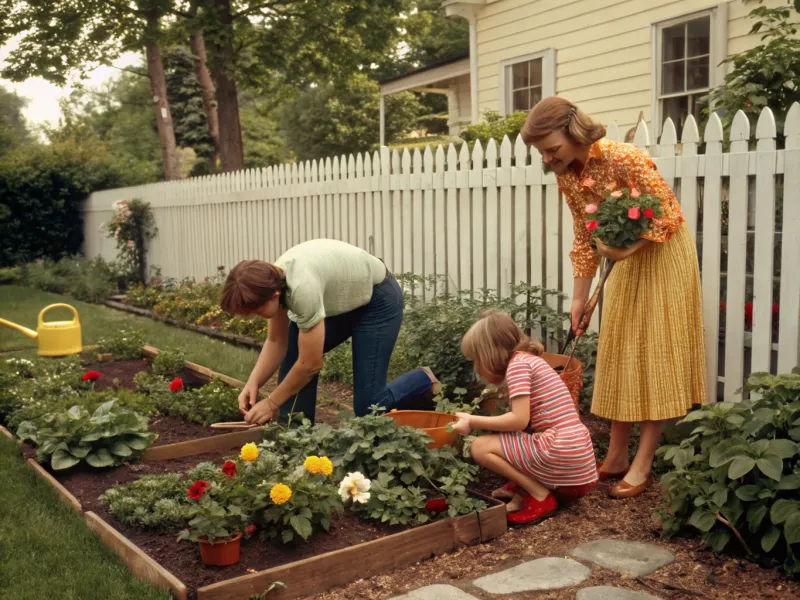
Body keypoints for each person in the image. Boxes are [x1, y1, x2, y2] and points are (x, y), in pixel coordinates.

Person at [520, 96, 706, 498]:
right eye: (542, 152)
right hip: (620, 259)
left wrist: (626, 251)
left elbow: (669, 214)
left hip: (662, 254)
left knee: (654, 350)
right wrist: (578, 300)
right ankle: (618, 455)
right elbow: (585, 236)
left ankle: (643, 462)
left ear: (572, 130)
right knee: (621, 346)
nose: (549, 159)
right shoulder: (567, 173)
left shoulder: (626, 158)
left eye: (552, 148)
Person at [219, 239, 439, 425]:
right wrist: (253, 382)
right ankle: (295, 436)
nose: (254, 316)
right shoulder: (271, 280)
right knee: (294, 353)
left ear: (274, 295)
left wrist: (271, 403)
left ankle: (421, 379)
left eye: (256, 311)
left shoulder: (301, 289)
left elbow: (310, 364)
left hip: (377, 300)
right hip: (344, 300)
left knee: (368, 408)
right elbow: (276, 341)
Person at [453, 310, 597, 526]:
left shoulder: (518, 366)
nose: (476, 368)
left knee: (479, 447)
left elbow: (518, 420)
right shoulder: (528, 361)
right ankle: (523, 487)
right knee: (504, 437)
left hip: (561, 453)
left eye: (476, 360)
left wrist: (472, 421)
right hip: (576, 462)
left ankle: (539, 494)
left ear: (490, 354)